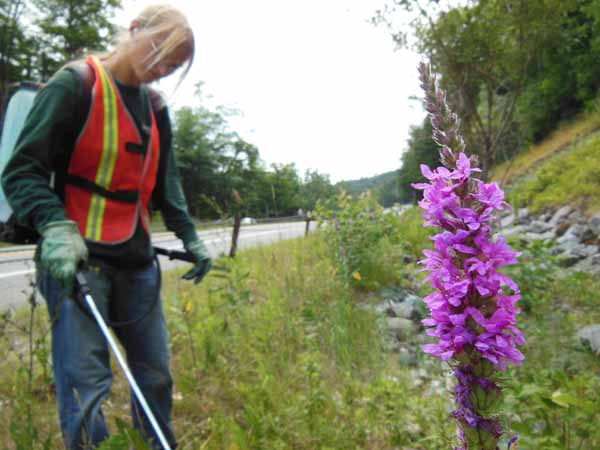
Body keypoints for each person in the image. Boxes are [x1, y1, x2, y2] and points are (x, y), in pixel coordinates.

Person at [1, 5, 210, 449]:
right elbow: (21, 171)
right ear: (134, 30)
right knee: (86, 384)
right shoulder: (76, 85)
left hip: (137, 262)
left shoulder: (155, 108)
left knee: (155, 376)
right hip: (77, 263)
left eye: (172, 66)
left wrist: (189, 234)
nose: (160, 69)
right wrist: (55, 226)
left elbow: (165, 181)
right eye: (158, 52)